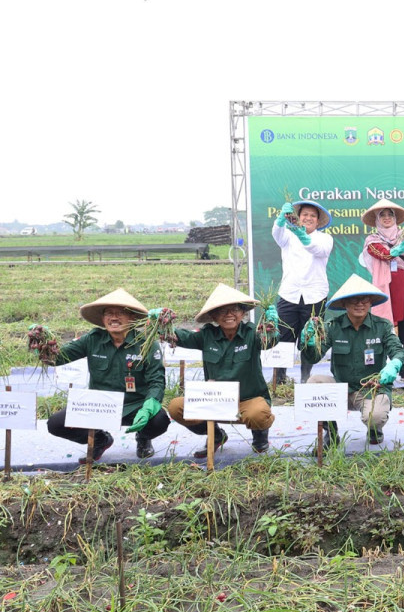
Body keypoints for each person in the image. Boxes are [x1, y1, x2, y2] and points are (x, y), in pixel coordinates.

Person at [41, 288, 169, 462]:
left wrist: (149, 406)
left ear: (132, 318)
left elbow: (156, 381)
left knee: (159, 420)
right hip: (99, 405)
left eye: (120, 313)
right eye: (109, 313)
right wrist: (43, 345)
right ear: (102, 318)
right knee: (56, 424)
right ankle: (100, 439)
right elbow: (58, 358)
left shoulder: (147, 344)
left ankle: (143, 437)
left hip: (134, 405)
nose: (114, 318)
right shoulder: (92, 339)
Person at [165, 284, 277, 457]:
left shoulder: (251, 333)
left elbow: (269, 341)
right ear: (214, 316)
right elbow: (181, 336)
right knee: (176, 407)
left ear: (243, 313)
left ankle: (260, 434)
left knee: (259, 414)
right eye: (222, 311)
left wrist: (272, 329)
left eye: (235, 309)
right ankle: (216, 435)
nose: (229, 314)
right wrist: (163, 326)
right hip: (215, 400)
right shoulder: (207, 335)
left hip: (247, 400)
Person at [301, 274, 404, 447]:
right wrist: (308, 344)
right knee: (314, 382)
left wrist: (394, 364)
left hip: (372, 388)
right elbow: (314, 357)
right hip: (342, 387)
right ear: (344, 303)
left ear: (371, 302)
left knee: (375, 417)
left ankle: (375, 429)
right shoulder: (332, 326)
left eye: (365, 300)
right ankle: (331, 432)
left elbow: (398, 351)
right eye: (353, 300)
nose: (360, 304)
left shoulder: (383, 326)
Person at [361, 198, 404, 386]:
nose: (387, 218)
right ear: (377, 219)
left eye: (390, 214)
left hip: (403, 286)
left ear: (395, 218)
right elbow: (383, 254)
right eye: (383, 215)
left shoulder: (403, 235)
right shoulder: (372, 240)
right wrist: (398, 249)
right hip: (384, 288)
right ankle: (380, 371)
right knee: (383, 329)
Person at [273, 198, 334, 385]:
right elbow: (276, 234)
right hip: (289, 293)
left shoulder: (325, 238)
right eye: (305, 214)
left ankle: (305, 378)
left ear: (318, 220)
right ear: (298, 217)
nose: (308, 218)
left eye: (312, 216)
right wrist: (280, 220)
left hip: (315, 295)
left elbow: (318, 250)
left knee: (310, 338)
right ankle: (280, 379)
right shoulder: (288, 236)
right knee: (284, 337)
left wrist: (303, 237)